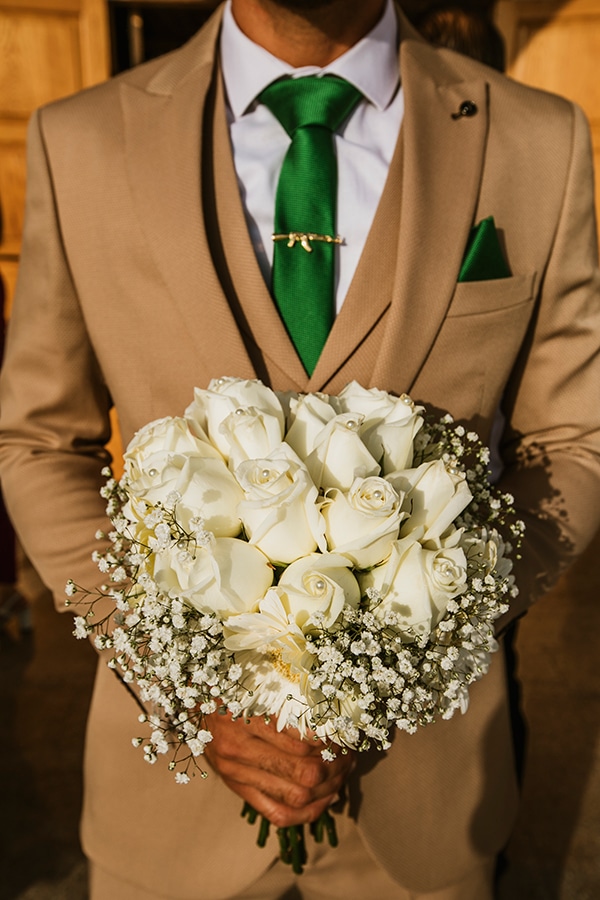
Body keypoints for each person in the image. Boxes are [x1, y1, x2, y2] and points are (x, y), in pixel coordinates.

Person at [1, 0, 599, 898]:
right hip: (167, 808)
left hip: (427, 799)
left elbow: (575, 443)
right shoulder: (78, 139)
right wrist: (178, 674)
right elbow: (42, 442)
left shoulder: (536, 138)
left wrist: (413, 647)